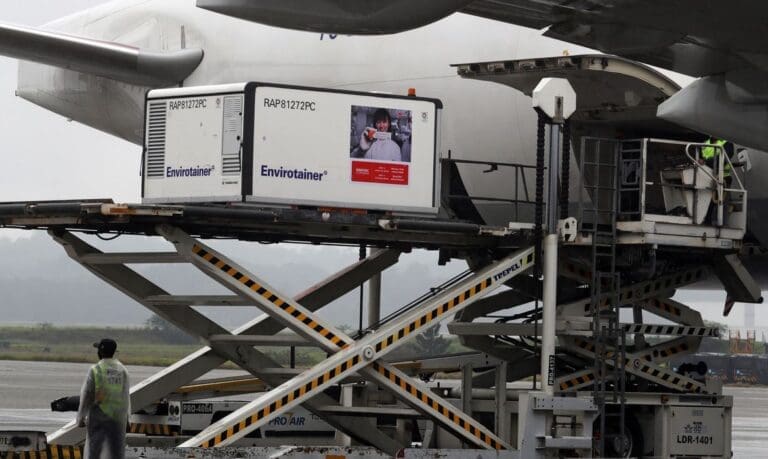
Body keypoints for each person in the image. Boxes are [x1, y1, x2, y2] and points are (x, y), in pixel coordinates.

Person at [76, 338, 130, 459]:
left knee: (94, 451)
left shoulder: (95, 370)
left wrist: (80, 417)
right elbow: (126, 395)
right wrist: (127, 419)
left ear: (100, 352)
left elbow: (87, 395)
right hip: (117, 419)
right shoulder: (122, 370)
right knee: (116, 453)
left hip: (98, 418)